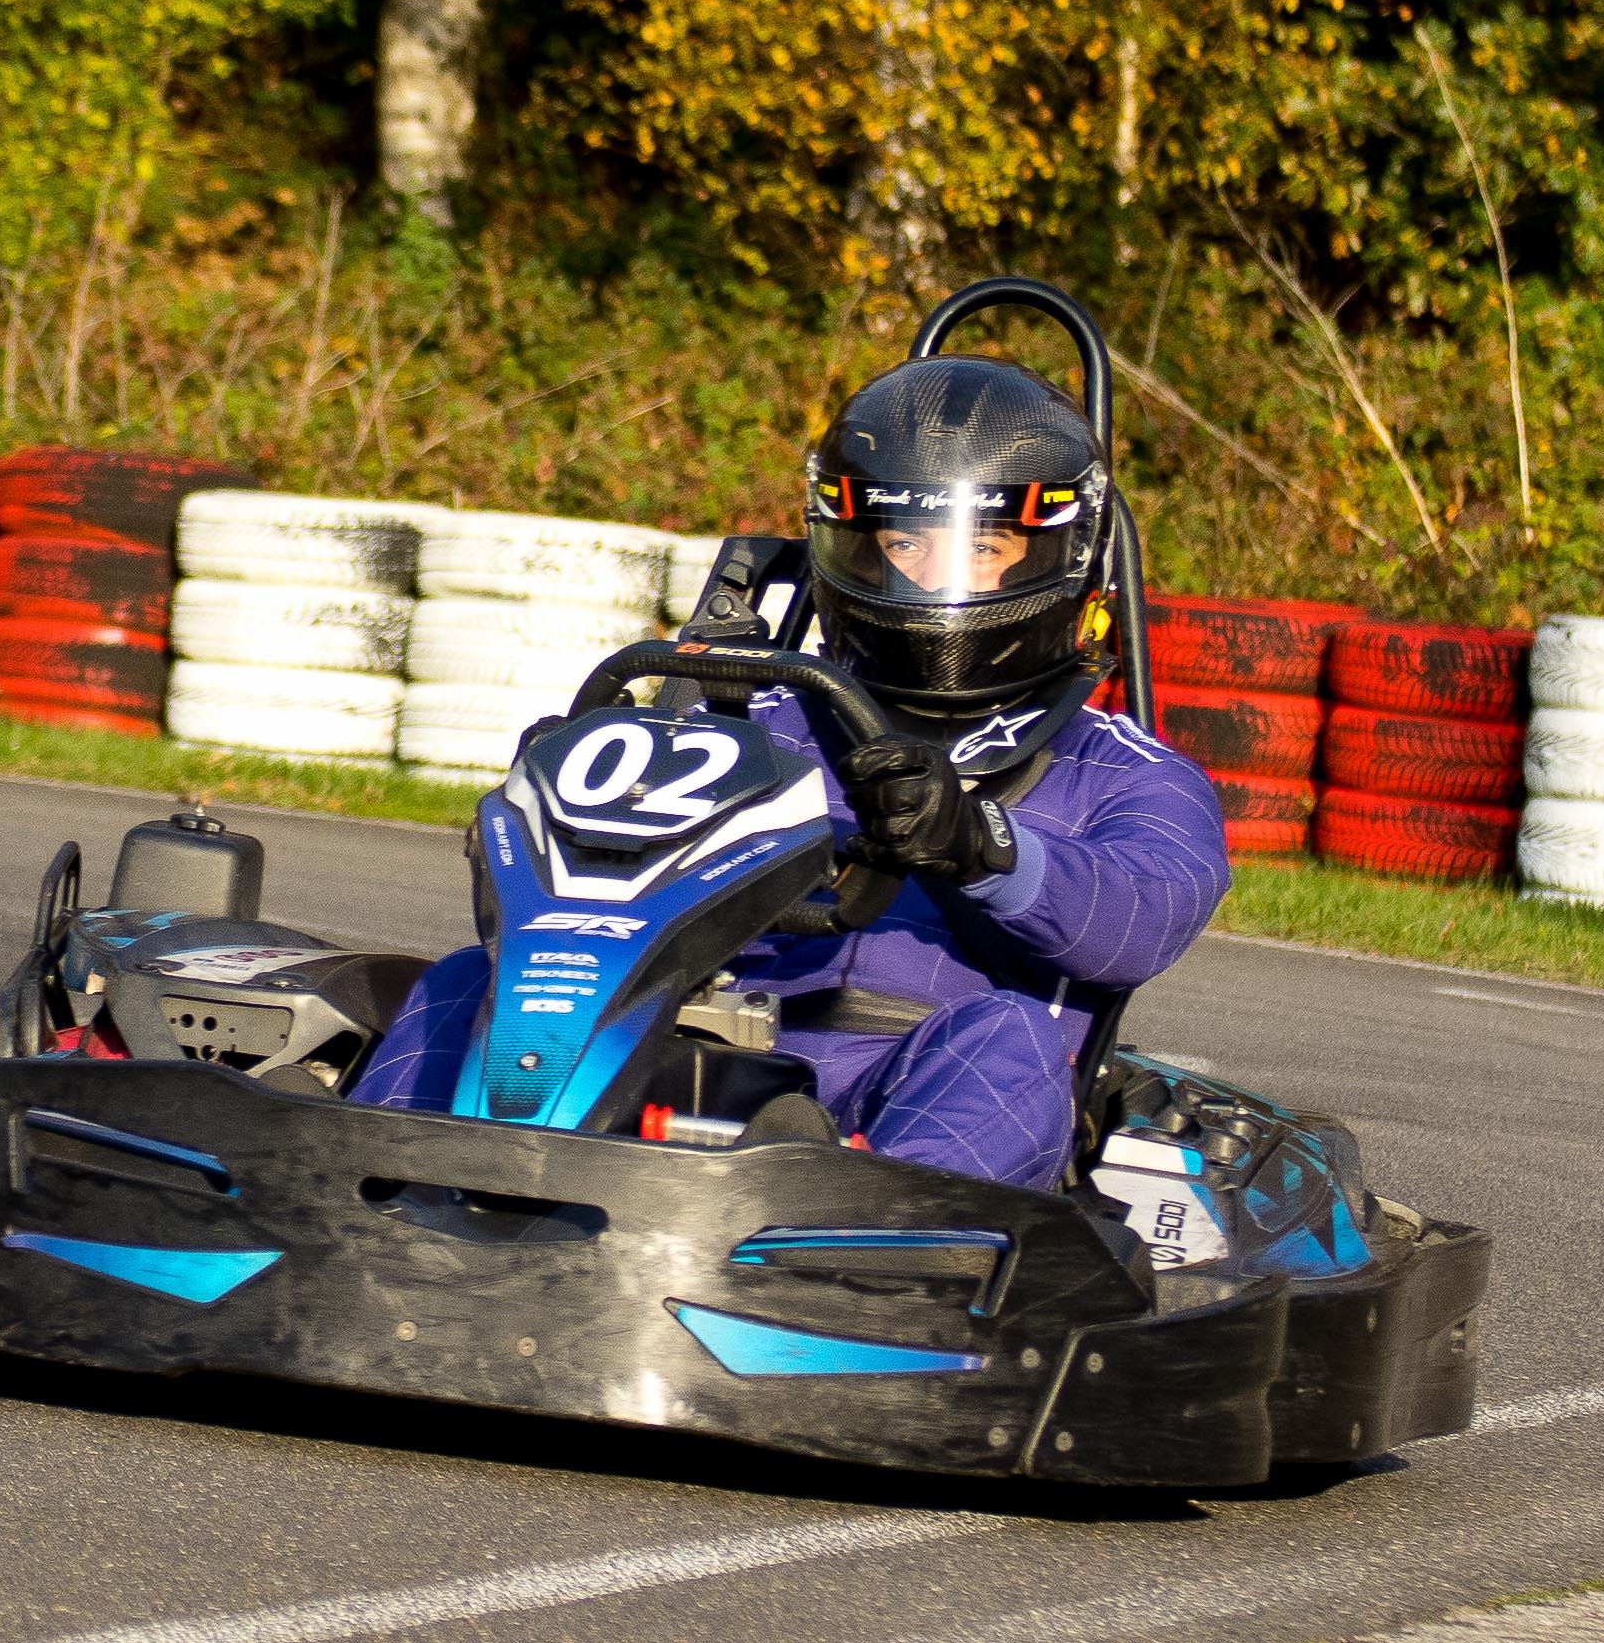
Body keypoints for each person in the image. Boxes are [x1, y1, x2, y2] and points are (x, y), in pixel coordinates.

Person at [347, 347, 1228, 1190]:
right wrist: (564, 798)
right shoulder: (747, 720)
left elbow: (1138, 923)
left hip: (921, 1083)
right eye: (903, 543)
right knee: (469, 980)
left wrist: (981, 844)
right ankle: (370, 1193)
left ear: (1060, 555)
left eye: (979, 547)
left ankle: (862, 1253)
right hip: (692, 1050)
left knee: (1011, 1035)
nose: (930, 578)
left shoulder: (1124, 773)